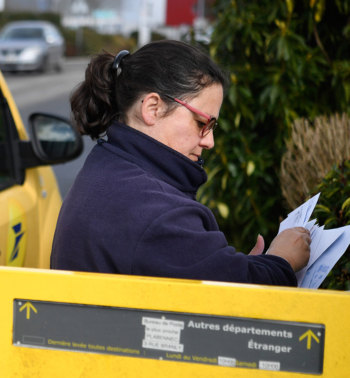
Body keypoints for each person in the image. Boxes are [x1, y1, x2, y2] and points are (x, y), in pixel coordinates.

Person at [50, 42, 310, 286]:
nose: (210, 141)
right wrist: (281, 260)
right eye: (202, 123)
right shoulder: (155, 211)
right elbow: (232, 298)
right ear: (152, 108)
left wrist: (237, 266)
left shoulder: (110, 167)